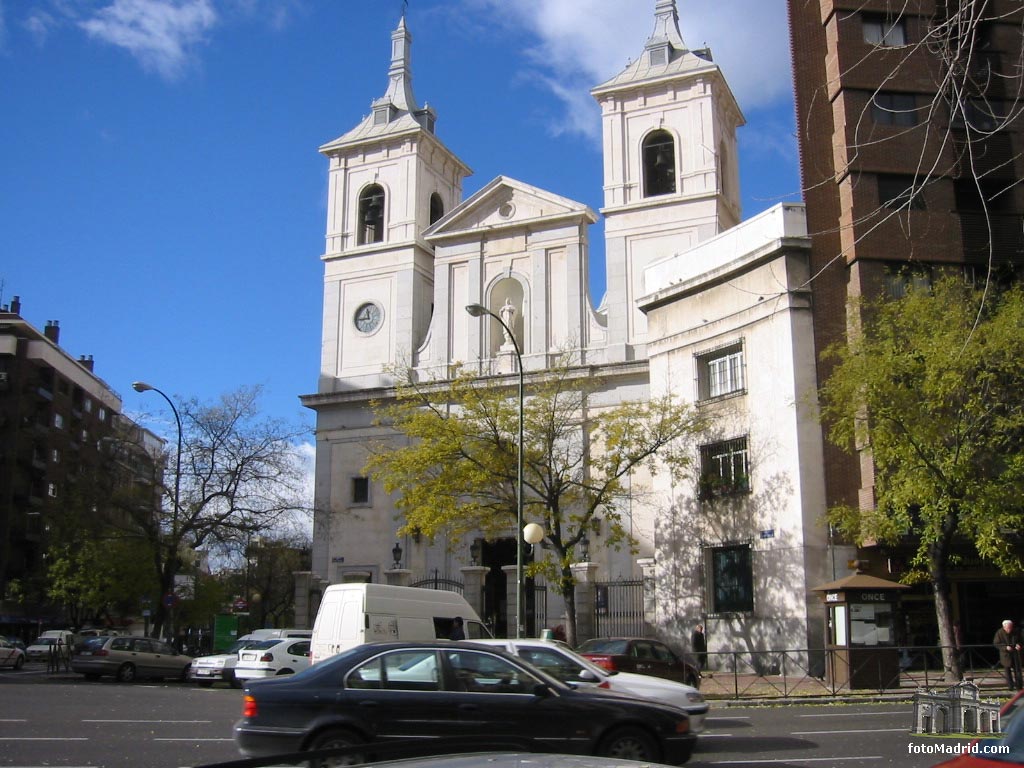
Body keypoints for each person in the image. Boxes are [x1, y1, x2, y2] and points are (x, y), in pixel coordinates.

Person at [994, 619, 1023, 690]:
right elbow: (996, 643)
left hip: (1016, 655)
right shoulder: (999, 633)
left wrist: (1019, 645)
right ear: (1004, 627)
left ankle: (1019, 686)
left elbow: (1021, 640)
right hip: (1006, 655)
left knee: (1018, 671)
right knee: (1008, 672)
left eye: (1011, 627)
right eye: (1008, 628)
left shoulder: (1016, 631)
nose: (1009, 629)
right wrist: (1005, 647)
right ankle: (1011, 686)